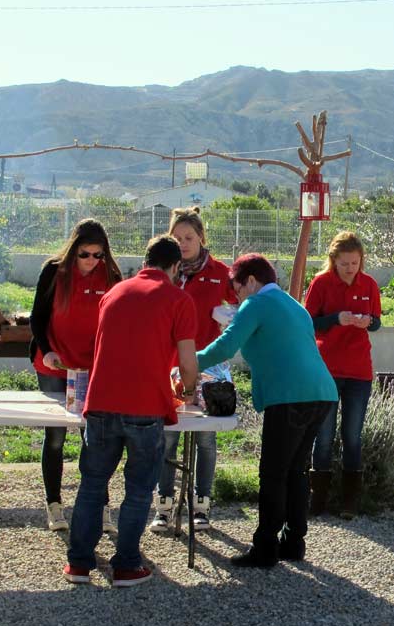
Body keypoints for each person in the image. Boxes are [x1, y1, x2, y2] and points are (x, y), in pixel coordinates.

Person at [63, 236, 198, 588]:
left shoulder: (114, 293)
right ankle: (126, 565)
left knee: (93, 484)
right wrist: (187, 391)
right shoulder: (178, 299)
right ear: (174, 268)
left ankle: (78, 564)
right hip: (145, 407)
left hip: (101, 403)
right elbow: (187, 362)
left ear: (145, 262)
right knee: (138, 488)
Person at [196, 254, 337, 568]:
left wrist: (185, 363)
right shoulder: (293, 305)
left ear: (250, 281)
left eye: (237, 290)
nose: (237, 298)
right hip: (322, 393)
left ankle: (265, 547)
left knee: (273, 474)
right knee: (296, 471)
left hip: (289, 396)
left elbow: (224, 347)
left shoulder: (256, 303)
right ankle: (293, 542)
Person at [29, 218, 122, 533]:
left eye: (98, 255)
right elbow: (37, 318)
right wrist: (48, 350)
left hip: (92, 366)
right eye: (85, 254)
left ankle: (100, 505)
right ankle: (54, 503)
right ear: (73, 250)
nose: (91, 261)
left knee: (94, 436)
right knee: (55, 435)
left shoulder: (111, 275)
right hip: (55, 362)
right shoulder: (53, 272)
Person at [150, 207, 237, 535]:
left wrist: (227, 315)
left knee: (205, 438)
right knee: (167, 438)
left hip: (210, 365)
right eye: (177, 238)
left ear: (202, 238)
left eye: (189, 237)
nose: (183, 243)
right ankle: (164, 505)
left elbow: (243, 307)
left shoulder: (220, 272)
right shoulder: (166, 272)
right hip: (170, 363)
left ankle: (201, 505)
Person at [304, 232, 381, 518]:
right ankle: (318, 498)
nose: (351, 268)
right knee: (323, 435)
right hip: (327, 369)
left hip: (359, 371)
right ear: (333, 260)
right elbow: (308, 322)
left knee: (352, 435)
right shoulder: (321, 283)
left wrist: (367, 321)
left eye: (355, 263)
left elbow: (377, 322)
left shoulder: (369, 284)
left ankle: (349, 501)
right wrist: (336, 319)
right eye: (345, 263)